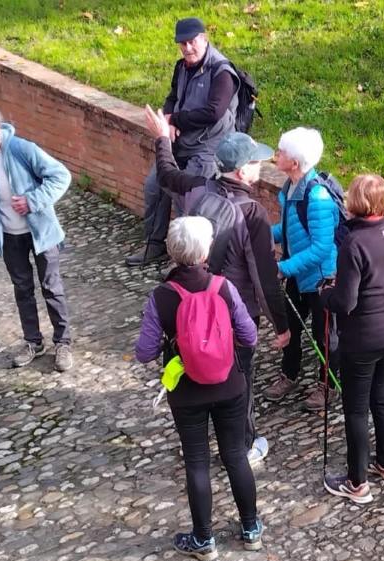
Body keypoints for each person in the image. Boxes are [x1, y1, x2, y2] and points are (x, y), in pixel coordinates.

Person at [141, 103, 290, 465]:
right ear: (242, 171)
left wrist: (162, 139)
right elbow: (264, 274)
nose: (261, 165)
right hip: (233, 311)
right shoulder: (252, 213)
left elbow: (166, 174)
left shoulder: (195, 189)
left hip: (188, 305)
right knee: (239, 380)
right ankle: (244, 444)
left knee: (194, 365)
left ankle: (196, 438)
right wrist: (282, 324)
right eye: (255, 161)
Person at [134, 216, 262, 561]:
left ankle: (203, 539)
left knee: (197, 461)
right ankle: (251, 529)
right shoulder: (223, 287)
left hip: (187, 393)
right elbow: (250, 335)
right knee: (235, 454)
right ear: (205, 252)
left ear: (172, 252)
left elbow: (144, 352)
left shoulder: (161, 296)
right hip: (230, 385)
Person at [0, 101, 75, 372]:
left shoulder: (21, 148)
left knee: (52, 287)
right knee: (22, 289)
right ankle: (33, 341)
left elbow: (60, 176)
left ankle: (63, 342)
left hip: (41, 232)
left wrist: (33, 200)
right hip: (8, 235)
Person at [319, 174, 384, 503]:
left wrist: (325, 294)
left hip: (362, 339)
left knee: (356, 410)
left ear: (356, 203)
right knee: (381, 398)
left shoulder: (353, 243)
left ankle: (357, 483)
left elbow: (346, 302)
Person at [126, 17, 240, 266]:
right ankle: (155, 244)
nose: (187, 48)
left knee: (189, 200)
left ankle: (188, 258)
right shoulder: (182, 67)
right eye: (182, 44)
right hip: (181, 141)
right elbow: (172, 97)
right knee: (154, 186)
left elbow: (214, 112)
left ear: (204, 39)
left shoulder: (222, 72)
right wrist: (168, 119)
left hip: (209, 147)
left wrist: (176, 119)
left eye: (192, 42)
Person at [265, 127, 340, 411]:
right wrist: (260, 234)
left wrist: (284, 267)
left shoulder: (317, 197)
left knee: (325, 337)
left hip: (321, 279)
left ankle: (328, 385)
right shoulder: (291, 189)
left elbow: (321, 247)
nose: (277, 154)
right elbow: (289, 230)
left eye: (281, 151)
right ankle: (290, 373)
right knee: (291, 327)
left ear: (294, 162)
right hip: (299, 273)